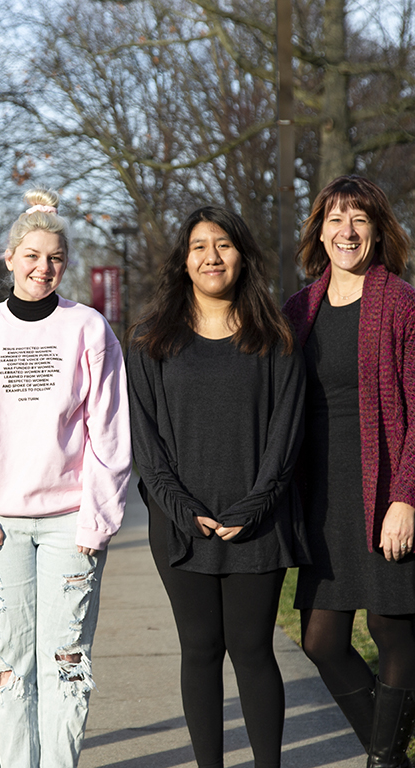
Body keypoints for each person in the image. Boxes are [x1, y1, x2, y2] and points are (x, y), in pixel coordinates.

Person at [0, 188, 131, 768]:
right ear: (8, 256)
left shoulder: (89, 329)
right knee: (8, 665)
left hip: (70, 524)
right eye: (30, 255)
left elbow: (110, 432)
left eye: (53, 257)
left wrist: (97, 520)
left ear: (65, 263)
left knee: (66, 661)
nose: (41, 268)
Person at [127, 206, 308, 768]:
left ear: (242, 255)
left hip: (260, 519)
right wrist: (182, 510)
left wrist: (256, 505)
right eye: (199, 246)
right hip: (182, 525)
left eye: (223, 244)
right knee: (200, 651)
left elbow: (286, 433)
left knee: (253, 650)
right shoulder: (151, 340)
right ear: (183, 261)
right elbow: (147, 443)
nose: (211, 256)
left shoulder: (276, 336)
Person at [283, 175, 415, 768]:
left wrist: (406, 498)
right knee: (321, 639)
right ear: (319, 231)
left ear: (378, 230)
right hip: (324, 499)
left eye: (359, 219)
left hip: (385, 491)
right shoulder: (299, 308)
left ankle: (383, 759)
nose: (347, 231)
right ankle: (392, 755)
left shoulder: (402, 303)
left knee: (392, 630)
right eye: (336, 219)